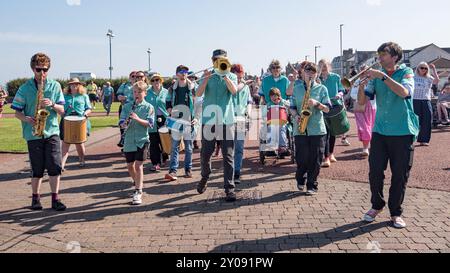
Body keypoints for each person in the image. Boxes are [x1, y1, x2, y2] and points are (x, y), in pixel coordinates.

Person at [358, 42, 419, 229]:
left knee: (400, 175)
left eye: (384, 54)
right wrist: (362, 86)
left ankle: (395, 212)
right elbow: (362, 103)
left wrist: (383, 77)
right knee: (375, 172)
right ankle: (376, 205)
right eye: (379, 54)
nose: (380, 58)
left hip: (402, 131)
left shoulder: (407, 72)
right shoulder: (376, 77)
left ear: (395, 57)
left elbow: (404, 92)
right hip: (380, 131)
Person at [10, 53, 67, 211]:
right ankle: (35, 198)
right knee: (37, 168)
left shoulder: (55, 86)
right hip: (33, 133)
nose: (42, 73)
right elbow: (16, 112)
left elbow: (62, 110)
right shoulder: (24, 88)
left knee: (55, 166)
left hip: (51, 131)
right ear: (32, 69)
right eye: (39, 69)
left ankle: (55, 199)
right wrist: (27, 118)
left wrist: (52, 104)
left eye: (45, 70)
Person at [196, 49, 238, 202]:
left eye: (222, 60)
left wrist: (225, 75)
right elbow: (198, 94)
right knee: (206, 153)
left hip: (227, 121)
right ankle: (205, 177)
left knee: (228, 155)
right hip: (209, 121)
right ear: (212, 60)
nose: (219, 62)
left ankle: (229, 188)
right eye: (216, 59)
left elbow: (234, 91)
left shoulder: (231, 75)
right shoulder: (207, 76)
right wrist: (206, 79)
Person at [290, 62, 330, 195]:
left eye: (313, 72)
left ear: (317, 74)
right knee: (302, 158)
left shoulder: (322, 89)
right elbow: (292, 107)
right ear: (302, 73)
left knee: (316, 158)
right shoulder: (297, 88)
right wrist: (296, 117)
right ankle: (300, 178)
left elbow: (328, 108)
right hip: (300, 127)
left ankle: (312, 184)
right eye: (307, 71)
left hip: (317, 128)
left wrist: (317, 103)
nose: (310, 74)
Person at [119, 81, 155, 205]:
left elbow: (150, 124)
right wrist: (123, 123)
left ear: (145, 93)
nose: (137, 94)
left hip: (142, 140)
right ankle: (137, 182)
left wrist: (137, 119)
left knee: (139, 165)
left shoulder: (149, 107)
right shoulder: (127, 106)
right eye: (135, 92)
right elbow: (122, 120)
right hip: (129, 140)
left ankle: (138, 191)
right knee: (130, 166)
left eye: (139, 92)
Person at [164, 65, 200, 182]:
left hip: (189, 120)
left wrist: (197, 118)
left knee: (189, 147)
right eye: (181, 71)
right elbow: (168, 101)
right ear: (177, 74)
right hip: (175, 120)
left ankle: (188, 169)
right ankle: (173, 170)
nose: (184, 73)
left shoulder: (193, 87)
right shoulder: (172, 88)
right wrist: (170, 111)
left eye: (186, 71)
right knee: (175, 146)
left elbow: (199, 103)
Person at [318, 59, 348, 167]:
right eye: (321, 66)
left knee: (333, 132)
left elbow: (342, 89)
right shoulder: (317, 79)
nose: (323, 68)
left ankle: (331, 153)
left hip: (335, 106)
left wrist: (339, 95)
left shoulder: (336, 77)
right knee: (325, 132)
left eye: (325, 65)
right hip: (322, 107)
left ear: (329, 66)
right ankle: (326, 157)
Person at [258, 60, 290, 153]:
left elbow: (289, 95)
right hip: (269, 108)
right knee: (269, 126)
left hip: (282, 108)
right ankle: (271, 146)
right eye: (273, 68)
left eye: (277, 67)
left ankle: (283, 146)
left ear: (280, 69)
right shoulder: (265, 80)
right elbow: (262, 95)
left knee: (282, 127)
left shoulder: (285, 80)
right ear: (270, 69)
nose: (276, 69)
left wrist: (286, 103)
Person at [60, 78, 92, 170]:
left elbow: (89, 108)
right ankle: (62, 165)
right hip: (66, 121)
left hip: (80, 120)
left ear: (79, 85)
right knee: (65, 143)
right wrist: (62, 112)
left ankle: (81, 159)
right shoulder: (64, 96)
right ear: (69, 85)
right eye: (72, 84)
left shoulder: (84, 96)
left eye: (76, 84)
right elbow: (60, 108)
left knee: (79, 143)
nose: (74, 85)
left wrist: (85, 113)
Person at [231, 64, 253, 184]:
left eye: (241, 76)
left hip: (241, 120)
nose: (240, 79)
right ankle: (230, 171)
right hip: (228, 120)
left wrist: (248, 113)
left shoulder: (246, 87)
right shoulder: (229, 86)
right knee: (229, 149)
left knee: (239, 148)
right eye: (237, 77)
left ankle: (237, 172)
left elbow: (249, 101)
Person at [350, 65, 377, 157]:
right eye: (362, 71)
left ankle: (371, 146)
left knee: (372, 128)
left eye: (366, 70)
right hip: (360, 107)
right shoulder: (357, 81)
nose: (364, 73)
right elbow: (352, 95)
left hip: (372, 106)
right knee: (364, 128)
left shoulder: (373, 81)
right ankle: (365, 147)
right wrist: (360, 94)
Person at [145, 73, 170, 172]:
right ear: (151, 82)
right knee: (154, 142)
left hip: (164, 119)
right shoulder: (147, 92)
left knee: (164, 141)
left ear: (161, 81)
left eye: (158, 80)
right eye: (153, 80)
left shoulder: (166, 92)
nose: (156, 82)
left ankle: (164, 158)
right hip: (152, 120)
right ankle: (155, 163)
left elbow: (170, 105)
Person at [413, 62, 440, 146]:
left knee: (427, 120)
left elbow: (437, 81)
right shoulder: (413, 77)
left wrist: (434, 69)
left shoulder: (429, 78)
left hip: (426, 100)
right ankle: (411, 139)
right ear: (418, 68)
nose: (423, 70)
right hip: (415, 100)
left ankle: (423, 140)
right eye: (422, 68)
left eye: (425, 68)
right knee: (415, 120)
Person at [117, 71, 137, 147]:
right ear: (129, 77)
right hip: (124, 107)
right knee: (123, 125)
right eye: (132, 76)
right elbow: (119, 95)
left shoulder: (139, 85)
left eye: (136, 76)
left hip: (134, 107)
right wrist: (121, 97)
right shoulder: (124, 85)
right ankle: (124, 142)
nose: (134, 78)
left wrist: (128, 98)